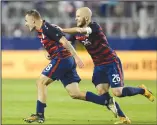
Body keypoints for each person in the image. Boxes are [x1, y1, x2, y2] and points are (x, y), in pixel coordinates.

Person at [60, 7, 155, 124]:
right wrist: (57, 50)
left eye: (78, 16)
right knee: (101, 92)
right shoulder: (76, 32)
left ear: (86, 17)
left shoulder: (94, 27)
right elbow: (67, 43)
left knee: (118, 92)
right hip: (99, 66)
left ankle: (142, 90)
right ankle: (123, 117)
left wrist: (62, 29)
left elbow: (81, 31)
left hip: (111, 62)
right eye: (76, 16)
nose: (76, 18)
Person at [23, 9, 118, 124]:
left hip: (62, 59)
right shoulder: (40, 31)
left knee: (41, 82)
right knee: (75, 93)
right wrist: (50, 53)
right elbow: (56, 43)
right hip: (64, 59)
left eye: (26, 20)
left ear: (33, 20)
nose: (25, 23)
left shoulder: (47, 28)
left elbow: (65, 42)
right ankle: (106, 101)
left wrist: (77, 57)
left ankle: (39, 114)